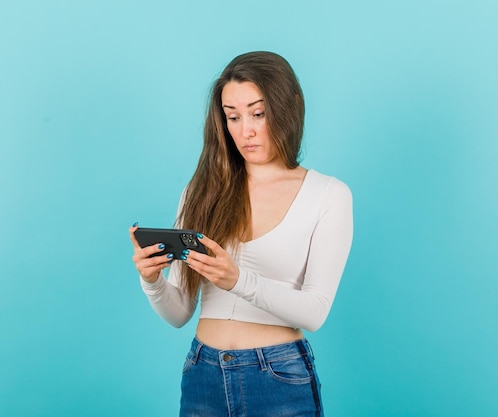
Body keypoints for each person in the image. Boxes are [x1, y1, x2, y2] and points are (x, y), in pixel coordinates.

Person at [129, 51, 353, 417]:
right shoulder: (202, 190)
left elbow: (315, 312)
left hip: (278, 377)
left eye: (257, 113)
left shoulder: (328, 195)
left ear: (289, 107)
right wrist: (152, 280)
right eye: (232, 117)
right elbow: (180, 311)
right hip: (202, 374)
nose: (244, 130)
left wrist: (237, 279)